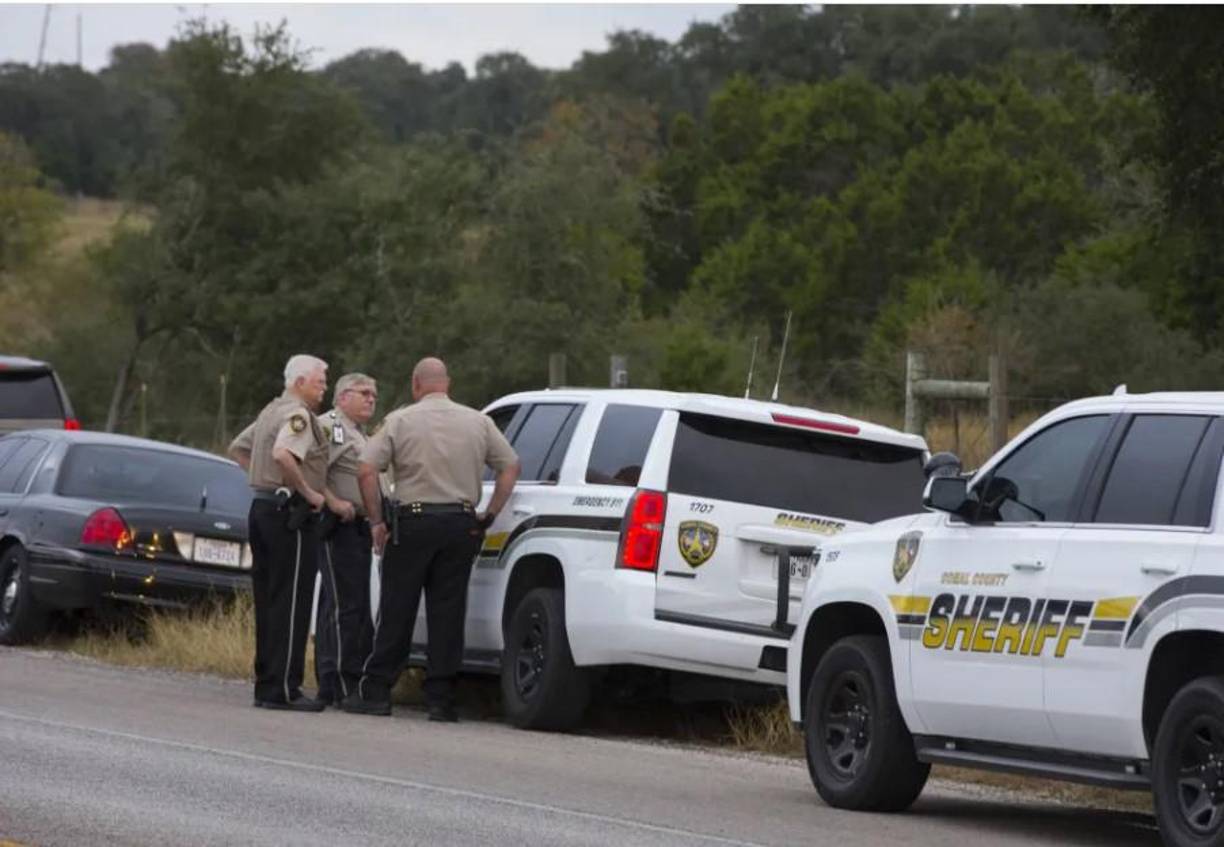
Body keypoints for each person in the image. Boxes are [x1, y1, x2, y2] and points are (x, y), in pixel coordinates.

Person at [342, 357, 520, 721]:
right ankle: (441, 699)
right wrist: (489, 513)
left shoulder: (400, 420)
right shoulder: (479, 421)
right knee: (449, 611)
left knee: (397, 607)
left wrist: (377, 519)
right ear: (447, 383)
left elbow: (365, 469)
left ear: (416, 384)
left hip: (413, 524)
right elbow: (510, 465)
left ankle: (377, 692)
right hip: (460, 523)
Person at [229, 354, 340, 712]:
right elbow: (283, 454)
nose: (324, 388)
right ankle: (284, 688)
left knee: (269, 599)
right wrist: (306, 492)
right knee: (292, 601)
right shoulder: (298, 416)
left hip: (263, 508)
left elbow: (239, 448)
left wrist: (262, 480)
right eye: (320, 381)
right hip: (289, 514)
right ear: (300, 382)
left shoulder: (269, 411)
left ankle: (266, 683)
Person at [314, 372, 379, 706]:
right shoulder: (331, 427)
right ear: (342, 397)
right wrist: (332, 501)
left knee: (342, 604)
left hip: (358, 527)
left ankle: (332, 678)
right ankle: (341, 680)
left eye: (374, 394)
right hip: (339, 524)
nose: (371, 399)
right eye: (363, 393)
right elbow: (312, 472)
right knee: (345, 607)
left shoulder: (358, 433)